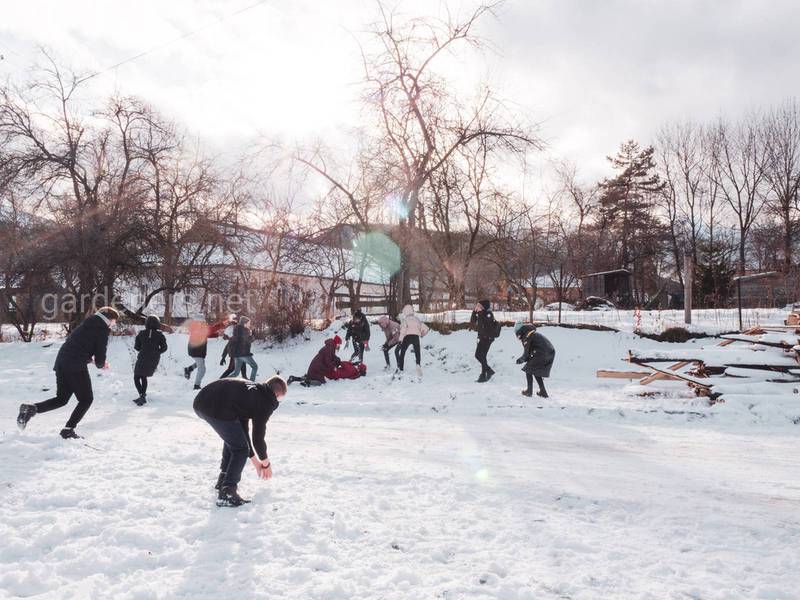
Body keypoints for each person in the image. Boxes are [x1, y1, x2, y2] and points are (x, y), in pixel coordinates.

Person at [17, 307, 119, 439]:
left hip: (61, 363)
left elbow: (78, 347)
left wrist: (91, 361)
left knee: (62, 399)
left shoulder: (86, 324)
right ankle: (68, 430)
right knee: (86, 399)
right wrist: (100, 364)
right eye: (114, 321)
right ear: (108, 319)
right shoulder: (102, 330)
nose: (114, 324)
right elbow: (100, 357)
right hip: (75, 367)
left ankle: (30, 409)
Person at [193, 375, 287, 507]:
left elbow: (242, 431)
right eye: (280, 398)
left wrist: (255, 461)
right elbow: (258, 438)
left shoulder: (251, 394)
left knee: (234, 441)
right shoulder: (266, 401)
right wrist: (265, 463)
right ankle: (228, 492)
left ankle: (223, 480)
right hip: (215, 407)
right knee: (240, 448)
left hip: (201, 402)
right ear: (277, 394)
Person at [133, 315, 168, 406]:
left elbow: (136, 347)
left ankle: (142, 395)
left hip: (143, 357)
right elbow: (164, 348)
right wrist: (156, 353)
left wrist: (144, 349)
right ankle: (142, 396)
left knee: (137, 377)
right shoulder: (160, 335)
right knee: (143, 376)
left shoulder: (141, 334)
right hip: (154, 359)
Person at [514, 322, 556, 398]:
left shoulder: (527, 336)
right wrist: (525, 358)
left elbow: (526, 353)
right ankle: (543, 392)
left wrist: (521, 360)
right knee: (535, 371)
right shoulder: (530, 333)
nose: (518, 337)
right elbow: (530, 351)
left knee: (528, 370)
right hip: (548, 352)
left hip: (541, 353)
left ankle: (529, 391)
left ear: (520, 332)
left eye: (517, 334)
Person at [469, 300, 501, 383]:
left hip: (487, 338)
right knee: (482, 356)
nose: (477, 307)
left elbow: (487, 324)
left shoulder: (488, 314)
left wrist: (481, 312)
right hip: (481, 337)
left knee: (478, 355)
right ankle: (484, 374)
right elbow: (472, 322)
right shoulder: (480, 314)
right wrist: (474, 312)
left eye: (479, 306)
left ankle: (488, 371)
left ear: (483, 307)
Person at [397, 304, 429, 376]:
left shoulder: (405, 320)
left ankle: (401, 368)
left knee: (402, 352)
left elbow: (403, 331)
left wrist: (400, 340)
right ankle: (418, 364)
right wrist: (422, 334)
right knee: (417, 352)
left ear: (405, 312)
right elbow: (426, 329)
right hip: (415, 337)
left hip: (407, 337)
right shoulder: (417, 319)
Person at [228, 316, 258, 382]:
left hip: (237, 355)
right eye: (248, 323)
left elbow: (242, 340)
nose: (249, 324)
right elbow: (247, 341)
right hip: (243, 354)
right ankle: (252, 383)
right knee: (255, 367)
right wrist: (253, 335)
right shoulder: (244, 330)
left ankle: (223, 382)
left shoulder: (237, 330)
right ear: (244, 323)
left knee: (236, 373)